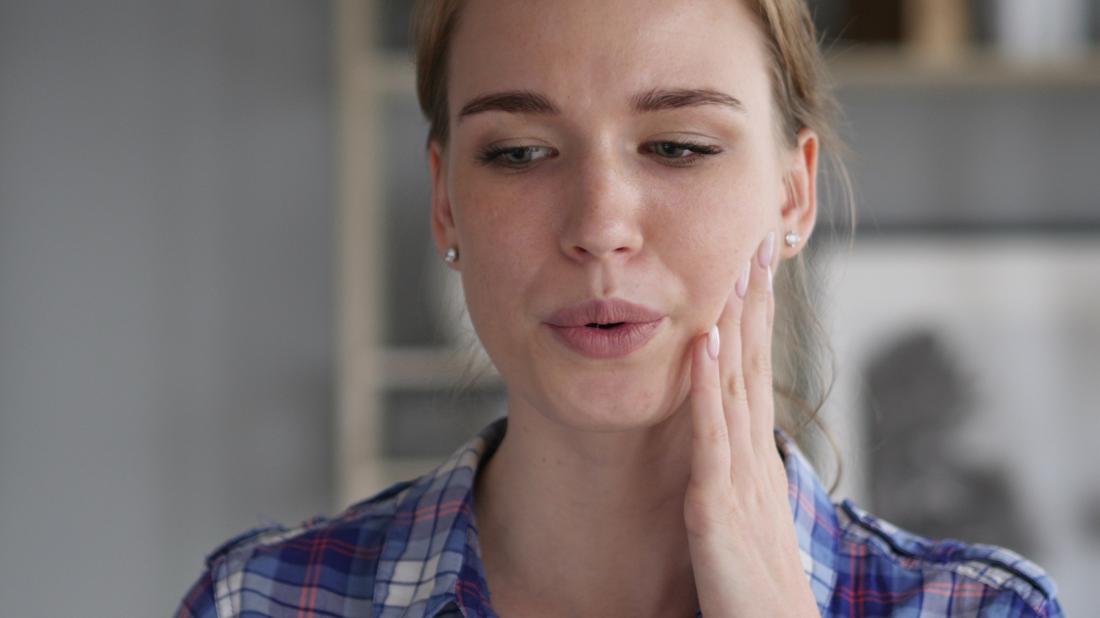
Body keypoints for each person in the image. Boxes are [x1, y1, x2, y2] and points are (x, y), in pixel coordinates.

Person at [175, 0, 1064, 616]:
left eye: (677, 146)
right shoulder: (260, 601)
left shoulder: (984, 610)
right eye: (520, 153)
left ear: (795, 195)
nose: (600, 226)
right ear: (446, 202)